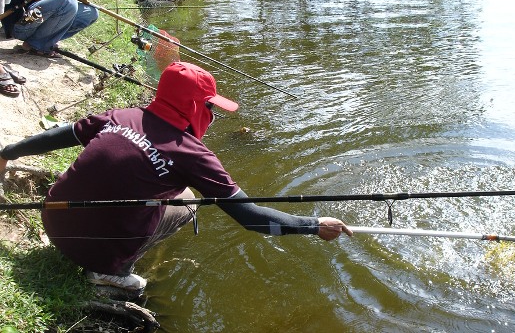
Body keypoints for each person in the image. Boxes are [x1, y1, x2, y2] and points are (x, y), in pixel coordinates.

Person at [0, 61, 352, 290]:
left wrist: (7, 153)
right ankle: (112, 271)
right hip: (93, 253)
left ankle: (108, 251)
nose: (212, 116)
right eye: (210, 107)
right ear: (196, 108)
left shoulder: (119, 116)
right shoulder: (193, 154)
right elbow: (253, 220)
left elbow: (56, 136)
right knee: (187, 202)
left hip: (54, 222)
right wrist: (314, 225)